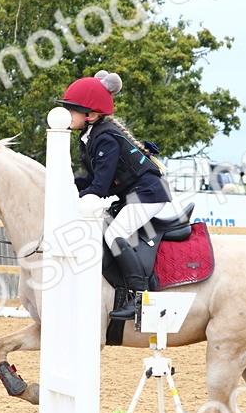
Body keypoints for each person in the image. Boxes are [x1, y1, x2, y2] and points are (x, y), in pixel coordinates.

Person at [60, 70, 172, 320]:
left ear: (89, 115)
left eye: (71, 110)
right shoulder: (91, 136)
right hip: (135, 194)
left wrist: (73, 198)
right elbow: (92, 180)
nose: (66, 114)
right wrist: (64, 188)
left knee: (115, 233)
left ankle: (140, 298)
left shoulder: (105, 138)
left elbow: (99, 189)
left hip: (148, 194)